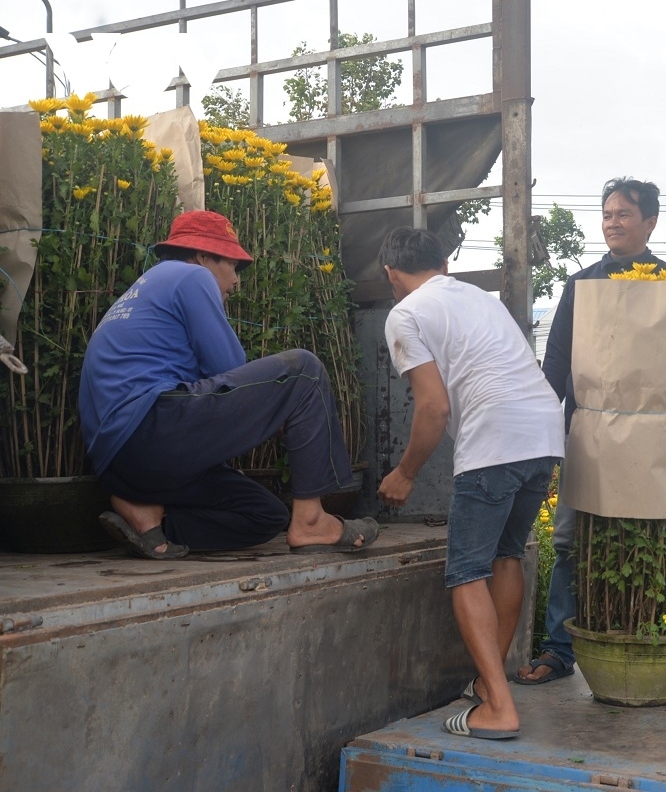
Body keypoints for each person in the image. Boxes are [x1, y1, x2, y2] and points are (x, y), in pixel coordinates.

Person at [80, 210, 377, 558]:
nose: (236, 282)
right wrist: (281, 408)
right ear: (203, 255)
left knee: (265, 516)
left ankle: (150, 517)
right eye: (233, 266)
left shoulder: (144, 289)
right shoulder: (190, 276)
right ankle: (312, 521)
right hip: (152, 427)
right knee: (303, 371)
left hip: (122, 466)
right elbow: (230, 370)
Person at [375, 227, 564, 740]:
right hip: (544, 434)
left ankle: (499, 707)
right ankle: (488, 683)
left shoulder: (406, 312)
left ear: (392, 273)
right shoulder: (482, 300)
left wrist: (405, 473)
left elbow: (434, 408)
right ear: (444, 264)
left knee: (465, 572)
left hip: (495, 441)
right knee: (506, 555)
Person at [516, 177, 666, 686]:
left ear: (650, 222)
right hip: (586, 433)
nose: (612, 222)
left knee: (654, 535)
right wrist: (544, 427)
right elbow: (558, 359)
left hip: (652, 440)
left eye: (624, 214)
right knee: (568, 541)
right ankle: (559, 651)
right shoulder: (582, 284)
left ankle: (662, 642)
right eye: (607, 214)